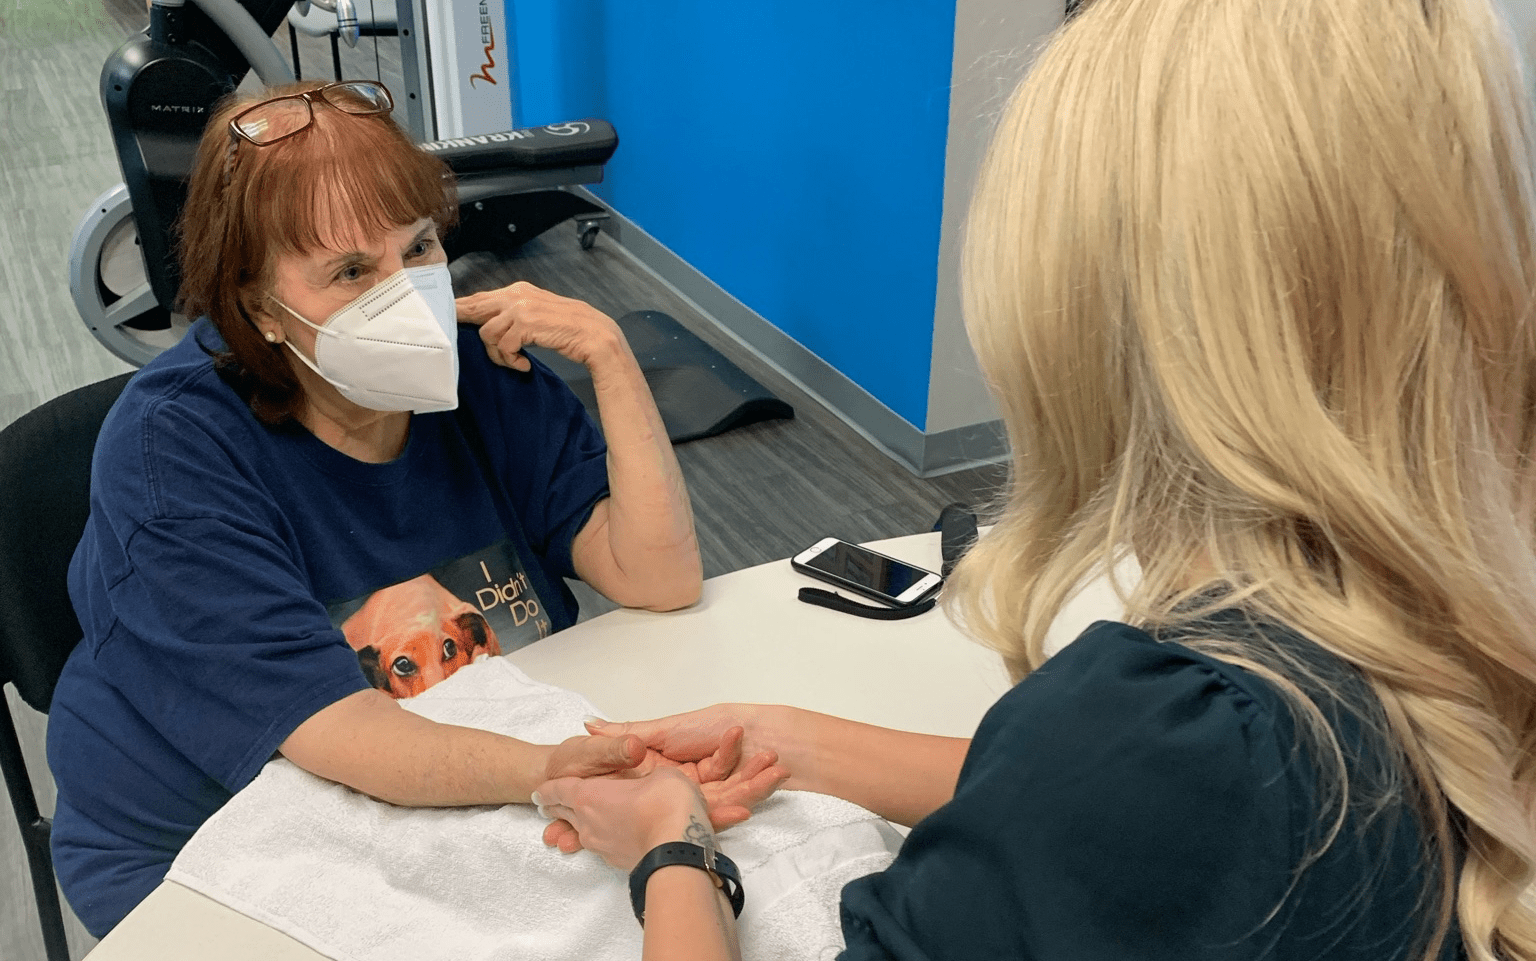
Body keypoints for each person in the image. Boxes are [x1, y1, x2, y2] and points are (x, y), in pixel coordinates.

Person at [530, 0, 1536, 958]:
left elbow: (1120, 798)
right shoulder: (1424, 642)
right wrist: (781, 737)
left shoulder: (1163, 736)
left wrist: (673, 848)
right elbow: (1122, 820)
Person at [45, 79, 783, 936]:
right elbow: (342, 734)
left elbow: (656, 573)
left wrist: (610, 356)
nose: (407, 297)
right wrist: (562, 770)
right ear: (258, 307)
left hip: (463, 770)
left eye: (420, 247)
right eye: (352, 271)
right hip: (207, 841)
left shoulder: (478, 372)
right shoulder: (174, 455)